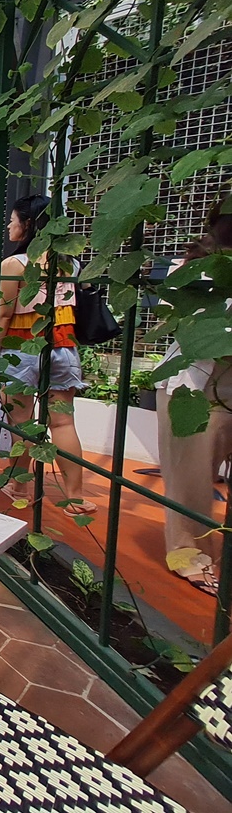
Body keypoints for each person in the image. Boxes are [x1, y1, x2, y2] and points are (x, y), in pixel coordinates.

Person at [0, 194, 97, 515]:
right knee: (64, 424)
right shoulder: (70, 262)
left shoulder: (14, 264)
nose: (9, 225)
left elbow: (3, 316)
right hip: (63, 348)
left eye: (13, 220)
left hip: (21, 351)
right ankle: (75, 498)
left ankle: (20, 485)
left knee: (21, 423)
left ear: (27, 224)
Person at [158, 193, 232, 596]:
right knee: (191, 482)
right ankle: (189, 555)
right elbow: (195, 329)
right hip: (196, 384)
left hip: (208, 380)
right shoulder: (195, 264)